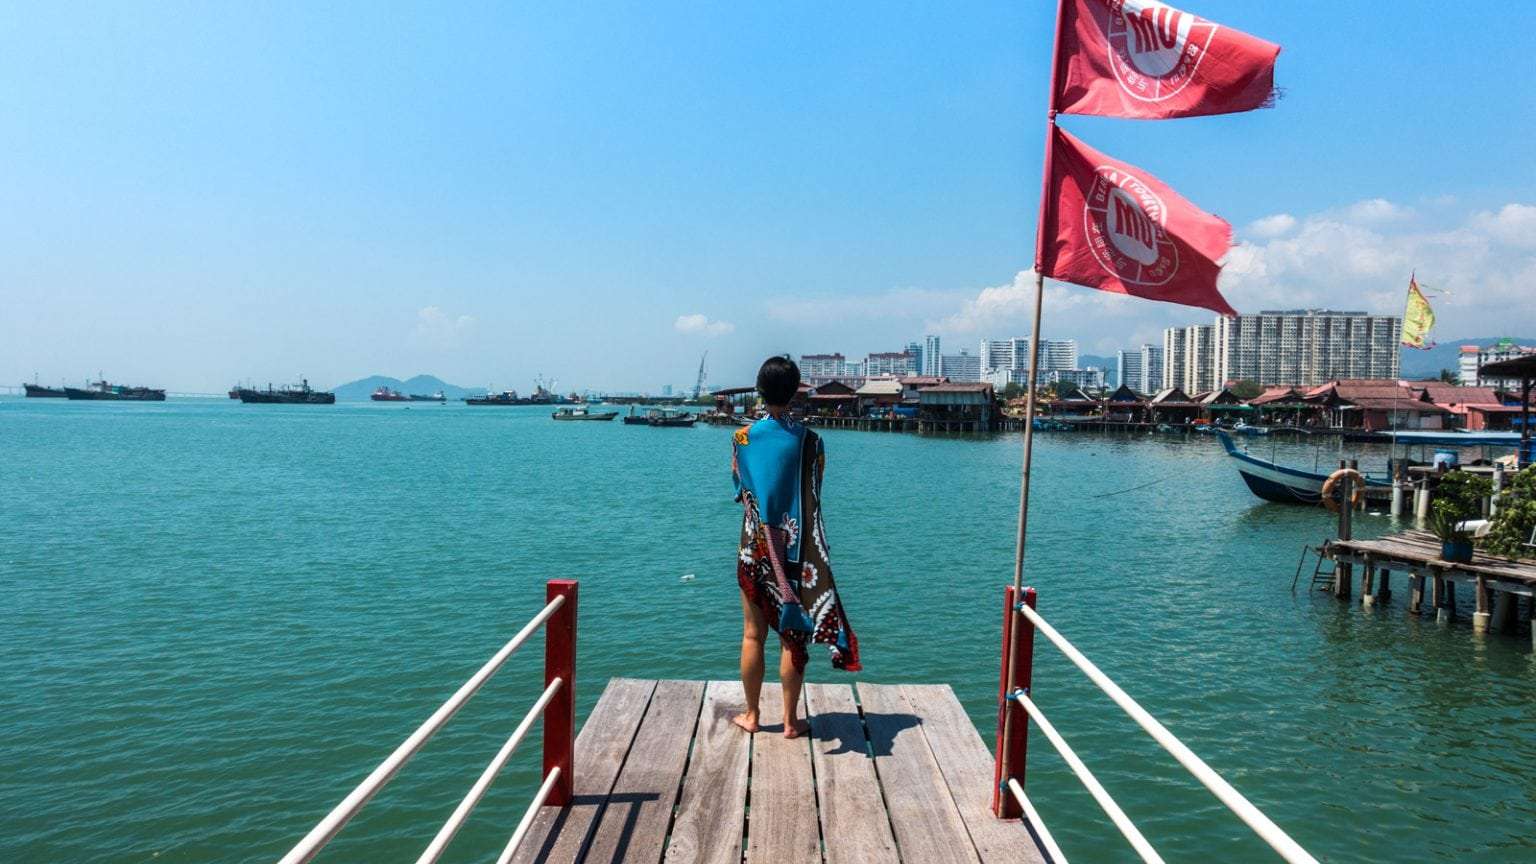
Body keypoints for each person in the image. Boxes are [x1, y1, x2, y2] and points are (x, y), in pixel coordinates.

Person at [731, 356, 860, 738]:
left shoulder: (741, 438)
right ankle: (790, 721)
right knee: (793, 636)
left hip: (755, 547)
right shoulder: (812, 442)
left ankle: (752, 716)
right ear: (796, 391)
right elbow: (814, 491)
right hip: (798, 551)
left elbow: (739, 491)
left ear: (759, 389)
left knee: (753, 634)